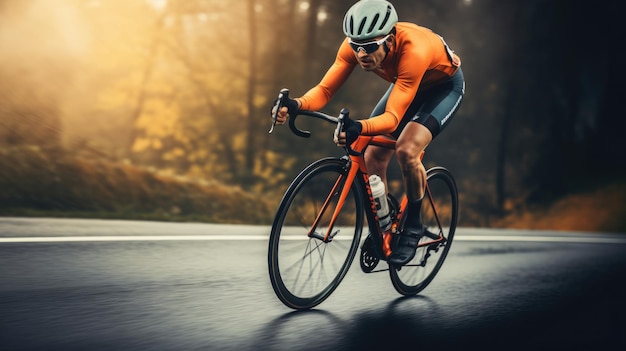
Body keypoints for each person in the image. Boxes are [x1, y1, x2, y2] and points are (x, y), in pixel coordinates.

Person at [272, 0, 465, 266]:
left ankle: (413, 222)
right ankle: (385, 228)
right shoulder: (356, 45)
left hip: (442, 88)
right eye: (356, 46)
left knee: (407, 150)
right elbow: (325, 90)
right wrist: (296, 104)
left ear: (390, 40)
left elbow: (393, 118)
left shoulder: (413, 50)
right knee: (372, 155)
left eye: (371, 46)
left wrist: (357, 127)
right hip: (407, 83)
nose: (362, 53)